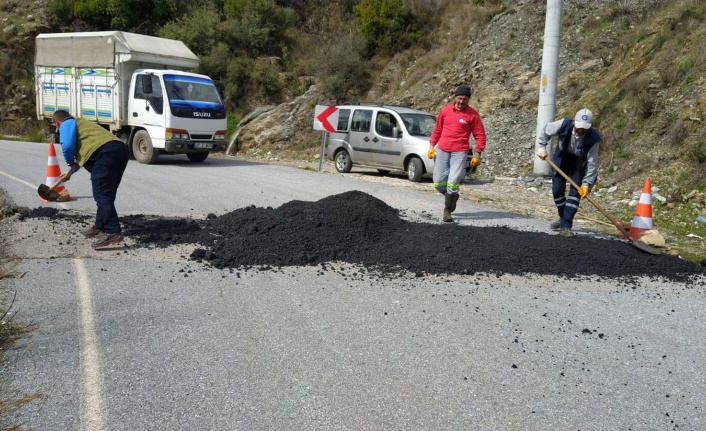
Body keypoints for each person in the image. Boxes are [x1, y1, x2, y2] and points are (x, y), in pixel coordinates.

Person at [52, 110, 129, 249]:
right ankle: (100, 226)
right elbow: (85, 156)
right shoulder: (83, 127)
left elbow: (68, 146)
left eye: (56, 126)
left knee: (102, 194)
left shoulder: (67, 123)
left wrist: (69, 163)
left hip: (105, 153)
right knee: (107, 193)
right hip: (119, 150)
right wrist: (71, 172)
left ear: (57, 123)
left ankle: (113, 232)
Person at [536, 108, 601, 238]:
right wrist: (542, 147)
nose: (580, 130)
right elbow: (545, 129)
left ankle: (566, 226)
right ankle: (563, 217)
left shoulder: (593, 138)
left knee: (575, 194)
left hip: (579, 163)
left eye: (584, 128)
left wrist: (587, 184)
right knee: (557, 191)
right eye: (578, 127)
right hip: (562, 159)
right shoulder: (564, 124)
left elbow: (592, 163)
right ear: (574, 122)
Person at [427, 85, 487, 222]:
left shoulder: (472, 115)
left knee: (453, 181)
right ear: (455, 98)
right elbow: (437, 130)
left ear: (469, 99)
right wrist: (431, 146)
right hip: (442, 150)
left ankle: (447, 211)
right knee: (438, 182)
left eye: (465, 99)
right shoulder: (445, 111)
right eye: (460, 98)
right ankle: (453, 196)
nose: (461, 101)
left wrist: (478, 154)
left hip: (459, 152)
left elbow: (480, 135)